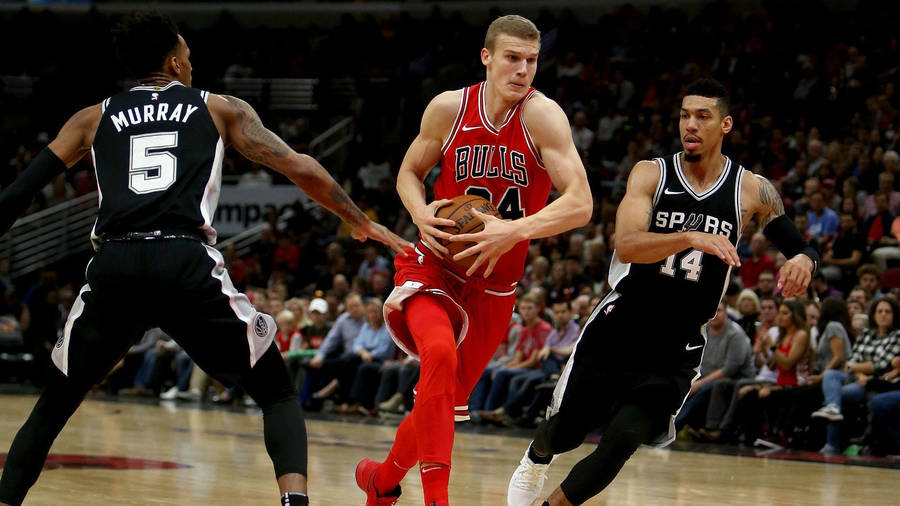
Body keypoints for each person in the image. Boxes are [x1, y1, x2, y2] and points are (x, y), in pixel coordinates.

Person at [0, 13, 410, 506]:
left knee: (54, 404)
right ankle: (294, 503)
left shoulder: (92, 117)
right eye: (189, 57)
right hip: (183, 260)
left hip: (116, 263)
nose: (192, 66)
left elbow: (20, 190)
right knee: (277, 392)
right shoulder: (218, 108)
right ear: (174, 62)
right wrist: (358, 220)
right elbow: (299, 166)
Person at [507, 78, 817, 506]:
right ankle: (536, 458)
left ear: (725, 124)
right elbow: (627, 244)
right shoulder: (651, 172)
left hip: (678, 344)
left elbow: (797, 243)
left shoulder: (752, 189)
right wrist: (690, 237)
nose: (690, 124)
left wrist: (804, 260)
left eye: (702, 116)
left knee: (621, 441)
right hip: (621, 326)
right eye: (684, 115)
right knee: (566, 431)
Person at [354, 15, 592, 506]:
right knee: (437, 356)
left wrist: (516, 230)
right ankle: (437, 500)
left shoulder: (543, 116)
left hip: (494, 288)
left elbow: (582, 203)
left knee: (440, 400)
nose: (522, 69)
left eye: (531, 60)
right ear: (486, 57)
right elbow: (409, 171)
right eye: (512, 58)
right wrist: (420, 212)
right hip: (434, 264)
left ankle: (382, 481)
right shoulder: (449, 108)